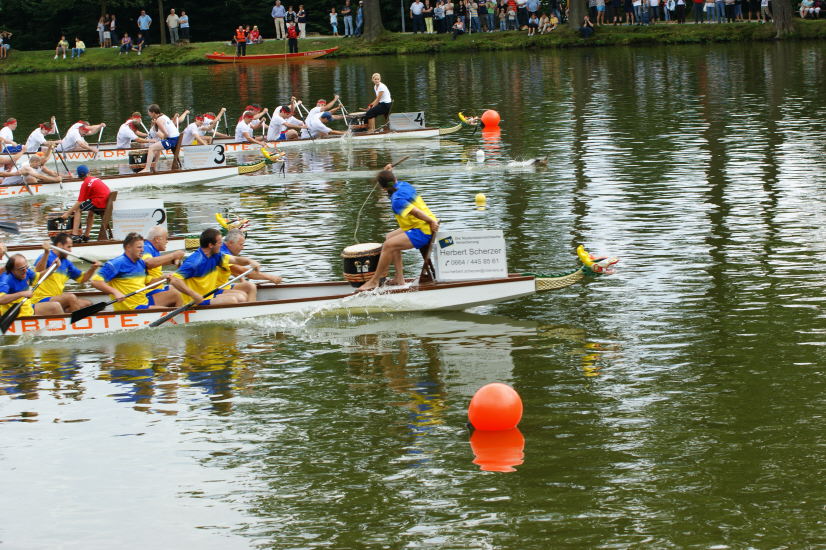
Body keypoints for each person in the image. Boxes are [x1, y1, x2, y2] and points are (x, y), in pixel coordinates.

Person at [357, 165, 439, 291]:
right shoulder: (403, 185)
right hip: (419, 225)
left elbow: (416, 212)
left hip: (424, 229)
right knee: (389, 237)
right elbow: (392, 182)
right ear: (395, 179)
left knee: (388, 245)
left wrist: (431, 221)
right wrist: (388, 172)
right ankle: (399, 278)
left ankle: (374, 281)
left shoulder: (397, 200)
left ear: (383, 188)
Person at [91, 232, 183, 311]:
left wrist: (163, 277)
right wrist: (115, 292)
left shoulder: (140, 263)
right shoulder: (116, 263)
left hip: (143, 300)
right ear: (128, 247)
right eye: (139, 247)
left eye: (143, 247)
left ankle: (179, 319)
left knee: (176, 294)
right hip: (130, 307)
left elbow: (148, 284)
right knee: (166, 311)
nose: (142, 250)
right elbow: (95, 281)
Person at [168, 228, 261, 306]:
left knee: (242, 296)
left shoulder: (216, 256)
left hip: (210, 295)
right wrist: (194, 295)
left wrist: (250, 261)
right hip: (196, 301)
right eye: (220, 243)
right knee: (233, 300)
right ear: (211, 245)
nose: (222, 245)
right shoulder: (195, 261)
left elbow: (235, 260)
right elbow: (174, 280)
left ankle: (249, 315)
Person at [30, 234, 100, 313]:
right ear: (60, 245)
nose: (70, 251)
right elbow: (38, 272)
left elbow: (83, 279)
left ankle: (66, 315)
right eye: (68, 247)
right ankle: (72, 319)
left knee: (87, 304)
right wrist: (46, 252)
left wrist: (93, 268)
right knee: (70, 297)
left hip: (56, 299)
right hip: (41, 300)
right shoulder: (46, 256)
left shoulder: (67, 263)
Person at [217, 228, 282, 302]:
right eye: (241, 244)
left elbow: (232, 270)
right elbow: (242, 271)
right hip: (214, 289)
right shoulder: (223, 253)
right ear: (230, 243)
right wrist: (271, 277)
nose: (243, 248)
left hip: (222, 285)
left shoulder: (223, 249)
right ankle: (250, 307)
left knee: (249, 286)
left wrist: (242, 280)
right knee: (246, 292)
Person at [61, 165, 111, 242]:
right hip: (107, 201)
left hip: (100, 202)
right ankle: (86, 236)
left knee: (78, 209)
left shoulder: (85, 184)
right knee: (90, 211)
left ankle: (75, 235)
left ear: (79, 176)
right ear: (89, 173)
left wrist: (67, 214)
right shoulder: (95, 179)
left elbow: (80, 201)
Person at [141, 225, 185, 307]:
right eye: (166, 238)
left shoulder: (154, 250)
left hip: (157, 288)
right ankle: (180, 314)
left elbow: (157, 263)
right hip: (147, 293)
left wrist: (175, 261)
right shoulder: (146, 248)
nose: (167, 241)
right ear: (157, 239)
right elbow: (148, 263)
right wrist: (174, 255)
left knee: (182, 287)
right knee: (176, 294)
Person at [139, 104, 179, 173]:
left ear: (153, 113)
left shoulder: (158, 120)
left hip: (172, 141)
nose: (149, 114)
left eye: (149, 113)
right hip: (175, 139)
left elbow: (166, 134)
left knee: (151, 148)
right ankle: (154, 166)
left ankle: (147, 168)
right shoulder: (164, 116)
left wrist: (161, 136)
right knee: (157, 147)